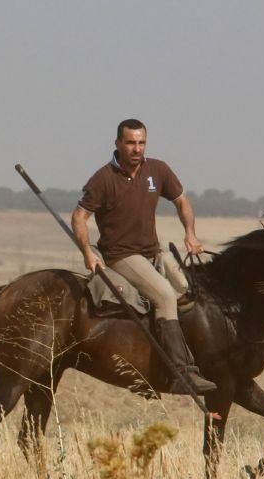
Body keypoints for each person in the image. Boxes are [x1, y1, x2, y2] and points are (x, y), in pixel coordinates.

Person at [70, 119, 217, 394]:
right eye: (130, 143)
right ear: (117, 144)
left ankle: (174, 358)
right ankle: (180, 373)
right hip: (122, 256)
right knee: (164, 295)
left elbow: (182, 200)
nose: (136, 149)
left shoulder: (157, 170)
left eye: (141, 143)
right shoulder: (103, 178)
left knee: (186, 290)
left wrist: (191, 233)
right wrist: (88, 251)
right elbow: (79, 217)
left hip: (153, 252)